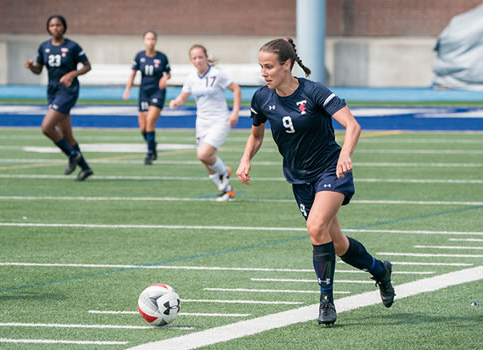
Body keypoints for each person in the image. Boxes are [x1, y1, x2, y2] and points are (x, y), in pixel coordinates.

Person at [236, 38, 395, 325]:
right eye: (261, 67)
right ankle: (380, 271)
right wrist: (246, 159)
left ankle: (326, 302)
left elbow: (353, 125)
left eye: (269, 66)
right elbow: (256, 135)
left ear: (287, 65)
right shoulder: (261, 98)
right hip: (299, 179)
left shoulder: (314, 92)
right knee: (338, 244)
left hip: (331, 170)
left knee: (315, 226)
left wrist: (345, 154)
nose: (264, 72)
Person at [24, 15, 93, 181]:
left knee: (47, 127)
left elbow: (87, 66)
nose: (55, 28)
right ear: (48, 28)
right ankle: (85, 168)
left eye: (58, 25)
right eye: (52, 25)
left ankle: (72, 154)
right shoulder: (44, 47)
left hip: (68, 91)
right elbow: (39, 70)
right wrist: (31, 66)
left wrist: (72, 74)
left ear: (64, 27)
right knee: (67, 135)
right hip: (53, 91)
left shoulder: (72, 46)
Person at [169, 44, 241, 202]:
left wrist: (234, 112)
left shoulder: (217, 75)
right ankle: (228, 192)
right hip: (201, 123)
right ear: (191, 61)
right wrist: (176, 102)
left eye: (200, 57)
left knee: (203, 153)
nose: (198, 60)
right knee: (205, 160)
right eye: (194, 58)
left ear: (206, 57)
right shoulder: (191, 78)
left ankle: (225, 171)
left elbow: (236, 89)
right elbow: (183, 95)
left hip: (220, 120)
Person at [123, 31, 171, 165]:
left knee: (150, 121)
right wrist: (128, 89)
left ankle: (149, 154)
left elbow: (168, 73)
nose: (150, 41)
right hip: (144, 93)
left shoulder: (162, 57)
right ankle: (152, 144)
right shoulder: (139, 56)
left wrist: (165, 78)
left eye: (153, 39)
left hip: (158, 92)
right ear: (144, 41)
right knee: (143, 128)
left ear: (156, 41)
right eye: (148, 39)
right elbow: (132, 74)